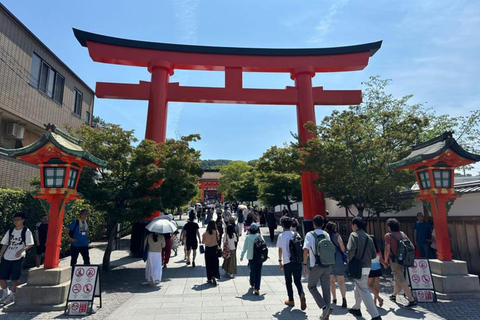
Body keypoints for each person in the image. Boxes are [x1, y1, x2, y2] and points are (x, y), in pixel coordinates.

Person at [346, 217, 382, 320]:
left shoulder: (354, 235)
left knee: (364, 290)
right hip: (367, 266)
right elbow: (373, 254)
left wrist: (350, 259)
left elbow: (350, 250)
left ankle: (375, 315)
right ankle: (356, 308)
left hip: (357, 267)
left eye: (352, 225)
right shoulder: (368, 237)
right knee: (358, 287)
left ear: (355, 225)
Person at [303, 215, 333, 320]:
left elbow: (305, 249)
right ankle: (326, 315)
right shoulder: (326, 234)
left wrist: (305, 264)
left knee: (311, 286)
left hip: (315, 265)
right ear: (323, 224)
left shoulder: (310, 235)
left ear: (313, 223)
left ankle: (324, 307)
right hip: (327, 264)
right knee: (326, 288)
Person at [0, 212, 34, 304]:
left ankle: (13, 295)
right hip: (7, 256)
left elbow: (30, 243)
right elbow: (5, 243)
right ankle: (6, 292)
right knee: (1, 277)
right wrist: (1, 253)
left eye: (18, 220)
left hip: (18, 257)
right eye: (14, 220)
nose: (16, 221)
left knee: (15, 278)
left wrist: (21, 250)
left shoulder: (26, 231)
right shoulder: (10, 230)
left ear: (22, 220)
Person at [384, 218, 417, 308]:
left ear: (389, 227)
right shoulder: (402, 234)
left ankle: (411, 299)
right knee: (397, 278)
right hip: (404, 260)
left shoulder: (388, 235)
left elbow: (387, 249)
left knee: (401, 279)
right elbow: (412, 246)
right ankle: (394, 295)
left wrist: (385, 260)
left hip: (394, 260)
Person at [277, 217, 306, 310]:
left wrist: (280, 261)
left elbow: (280, 249)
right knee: (297, 281)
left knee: (288, 281)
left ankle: (291, 300)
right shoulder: (296, 234)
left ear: (282, 225)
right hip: (297, 261)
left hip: (287, 262)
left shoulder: (281, 236)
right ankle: (301, 294)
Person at [325, 221, 347, 308]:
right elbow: (342, 249)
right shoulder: (337, 236)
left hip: (329, 259)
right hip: (338, 258)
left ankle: (334, 298)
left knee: (331, 280)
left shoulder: (325, 236)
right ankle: (344, 298)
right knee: (341, 280)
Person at [240, 223, 265, 295]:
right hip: (259, 257)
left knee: (252, 270)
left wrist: (242, 256)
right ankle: (257, 288)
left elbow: (244, 248)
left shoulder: (248, 237)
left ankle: (252, 283)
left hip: (251, 257)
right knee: (258, 272)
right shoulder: (260, 236)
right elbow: (264, 245)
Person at [368, 234, 384, 307]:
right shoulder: (378, 250)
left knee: (369, 285)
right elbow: (381, 260)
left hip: (371, 269)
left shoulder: (368, 251)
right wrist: (385, 264)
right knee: (376, 285)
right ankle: (375, 300)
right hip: (378, 268)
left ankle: (378, 298)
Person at [202, 220, 220, 285]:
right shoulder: (216, 232)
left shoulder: (205, 233)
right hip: (214, 249)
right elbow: (218, 239)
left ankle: (209, 278)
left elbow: (203, 242)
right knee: (215, 263)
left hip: (208, 249)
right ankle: (215, 275)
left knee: (208, 264)